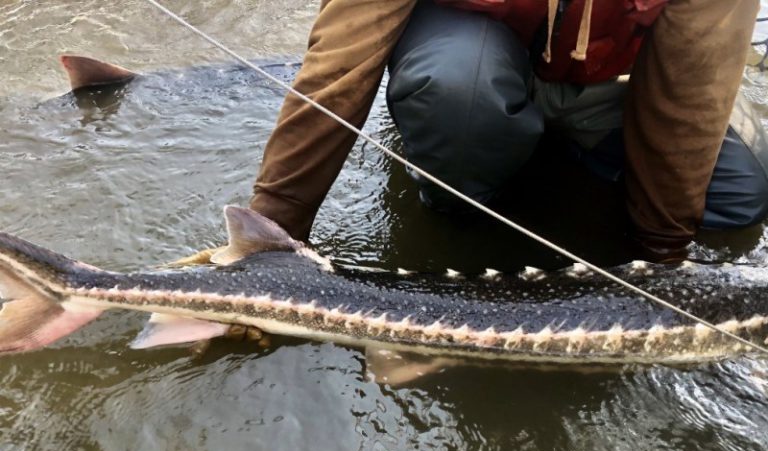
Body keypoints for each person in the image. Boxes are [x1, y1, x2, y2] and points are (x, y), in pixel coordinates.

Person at [247, 0, 766, 263]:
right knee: (458, 97)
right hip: (472, 66)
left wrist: (663, 254)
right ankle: (464, 197)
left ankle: (536, 149)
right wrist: (274, 229)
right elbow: (341, 64)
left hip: (606, 85)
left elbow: (692, 88)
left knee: (739, 196)